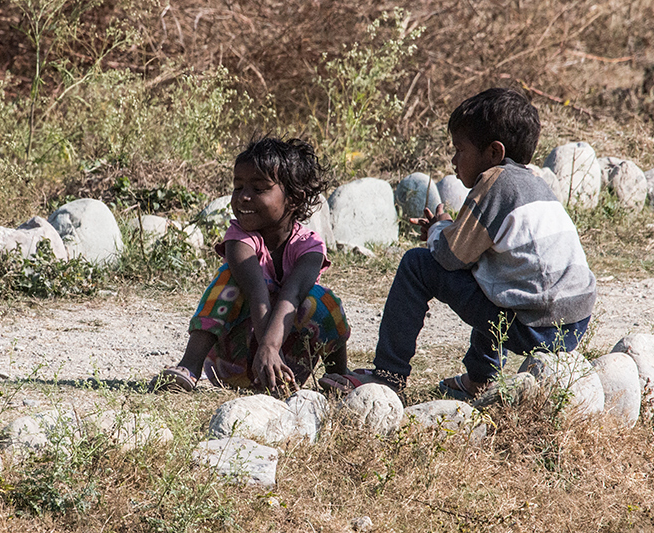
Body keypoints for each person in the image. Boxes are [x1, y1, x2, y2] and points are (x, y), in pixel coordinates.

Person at [320, 87, 597, 401]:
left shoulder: (495, 182)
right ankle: (479, 380)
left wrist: (440, 228)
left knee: (416, 265)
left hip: (534, 325)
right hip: (574, 322)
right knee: (491, 273)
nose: (453, 160)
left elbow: (450, 256)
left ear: (493, 152)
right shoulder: (534, 183)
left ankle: (388, 374)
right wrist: (448, 230)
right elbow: (474, 250)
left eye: (459, 149)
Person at [150, 137, 350, 395]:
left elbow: (293, 295)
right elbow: (256, 291)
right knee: (229, 279)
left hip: (286, 368)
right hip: (234, 362)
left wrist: (271, 349)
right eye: (238, 186)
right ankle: (189, 367)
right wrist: (266, 349)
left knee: (322, 300)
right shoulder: (238, 239)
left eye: (258, 189)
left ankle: (337, 375)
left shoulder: (309, 248)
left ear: (294, 199)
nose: (243, 197)